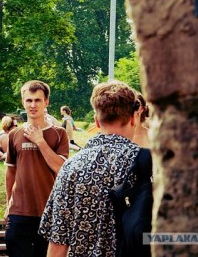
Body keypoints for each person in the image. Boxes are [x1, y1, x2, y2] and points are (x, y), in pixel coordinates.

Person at [39, 80, 150, 256]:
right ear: (132, 118)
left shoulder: (71, 167)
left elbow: (58, 243)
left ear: (97, 121)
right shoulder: (145, 163)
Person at [4, 80, 69, 257]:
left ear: (46, 102)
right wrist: (8, 203)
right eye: (29, 100)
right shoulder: (14, 134)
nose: (33, 105)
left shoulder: (59, 133)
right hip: (19, 211)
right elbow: (11, 171)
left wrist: (40, 141)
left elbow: (61, 168)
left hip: (48, 211)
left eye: (38, 100)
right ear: (23, 102)